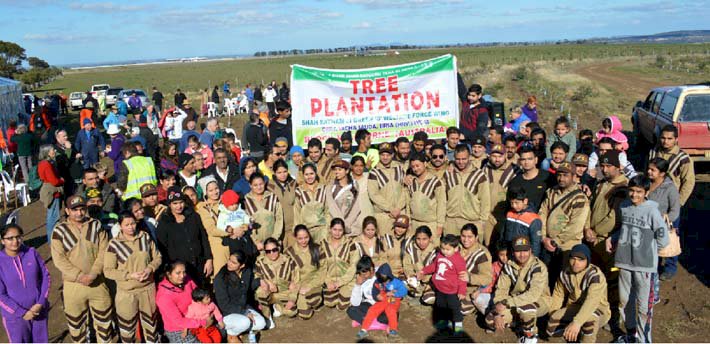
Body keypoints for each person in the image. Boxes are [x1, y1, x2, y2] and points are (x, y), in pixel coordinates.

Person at [606, 175, 669, 343]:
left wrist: (650, 251)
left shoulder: (652, 211)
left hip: (644, 266)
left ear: (646, 192)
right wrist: (613, 238)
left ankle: (644, 339)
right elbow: (624, 229)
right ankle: (631, 334)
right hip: (624, 262)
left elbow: (663, 237)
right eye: (632, 191)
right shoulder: (625, 206)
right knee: (625, 301)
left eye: (639, 192)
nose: (634, 195)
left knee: (643, 307)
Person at [50, 195, 117, 342]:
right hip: (73, 285)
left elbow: (104, 251)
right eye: (75, 210)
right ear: (67, 211)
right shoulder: (59, 231)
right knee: (77, 327)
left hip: (98, 283)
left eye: (82, 209)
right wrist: (79, 275)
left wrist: (93, 274)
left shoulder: (96, 225)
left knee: (104, 325)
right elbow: (59, 259)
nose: (79, 213)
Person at [103, 212, 162, 343]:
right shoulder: (114, 245)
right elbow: (108, 271)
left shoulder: (145, 237)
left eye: (133, 223)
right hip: (127, 294)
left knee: (151, 328)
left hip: (147, 290)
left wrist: (149, 269)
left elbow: (157, 257)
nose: (131, 227)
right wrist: (129, 275)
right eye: (127, 225)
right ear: (120, 226)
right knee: (127, 330)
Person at [485, 235, 550, 343]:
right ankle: (520, 323)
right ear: (513, 252)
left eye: (525, 250)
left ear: (530, 250)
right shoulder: (509, 265)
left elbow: (533, 295)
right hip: (515, 301)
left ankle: (530, 337)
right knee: (490, 320)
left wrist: (506, 303)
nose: (522, 254)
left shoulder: (539, 267)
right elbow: (501, 290)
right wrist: (497, 312)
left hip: (539, 301)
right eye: (518, 251)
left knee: (526, 309)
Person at [546, 244, 610, 343]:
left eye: (581, 260)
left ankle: (586, 338)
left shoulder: (595, 276)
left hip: (597, 308)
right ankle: (577, 332)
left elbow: (592, 301)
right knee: (551, 327)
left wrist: (576, 323)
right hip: (575, 307)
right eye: (573, 258)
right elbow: (558, 294)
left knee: (589, 321)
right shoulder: (565, 273)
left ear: (587, 261)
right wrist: (553, 312)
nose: (575, 263)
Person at [539, 162, 590, 286]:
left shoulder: (579, 197)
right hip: (548, 243)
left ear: (573, 176)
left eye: (565, 175)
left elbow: (576, 225)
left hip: (568, 246)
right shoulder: (551, 192)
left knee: (564, 281)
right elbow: (542, 213)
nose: (561, 178)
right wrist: (544, 237)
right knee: (546, 278)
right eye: (559, 175)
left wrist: (557, 240)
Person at [0, 224, 51, 343]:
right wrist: (22, 313)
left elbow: (45, 277)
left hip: (39, 311)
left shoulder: (32, 253)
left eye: (18, 237)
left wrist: (40, 303)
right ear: (2, 241)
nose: (15, 241)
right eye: (10, 238)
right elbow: (1, 295)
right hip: (16, 318)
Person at [585, 151, 628, 284]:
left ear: (617, 167)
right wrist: (587, 228)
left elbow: (613, 217)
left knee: (612, 274)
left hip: (607, 239)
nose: (604, 169)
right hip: (592, 236)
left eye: (608, 166)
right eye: (602, 166)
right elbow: (589, 207)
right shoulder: (601, 184)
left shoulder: (623, 188)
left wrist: (595, 232)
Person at [157, 187, 214, 285]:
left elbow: (203, 238)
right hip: (180, 272)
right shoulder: (164, 223)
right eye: (175, 203)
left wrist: (209, 259)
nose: (179, 206)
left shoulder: (193, 216)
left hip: (200, 265)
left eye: (181, 202)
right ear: (169, 205)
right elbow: (163, 249)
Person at [418, 234, 468, 334]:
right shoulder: (440, 255)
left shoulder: (459, 260)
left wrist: (462, 291)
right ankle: (443, 321)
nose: (444, 251)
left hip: (452, 291)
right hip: (440, 288)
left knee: (454, 308)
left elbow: (462, 277)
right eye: (442, 248)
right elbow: (434, 266)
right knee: (440, 306)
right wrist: (423, 271)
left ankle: (458, 325)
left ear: (456, 249)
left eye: (447, 249)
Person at [214, 251, 267, 342]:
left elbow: (247, 288)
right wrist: (244, 312)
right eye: (229, 260)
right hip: (227, 312)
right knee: (245, 322)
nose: (229, 263)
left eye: (233, 263)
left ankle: (239, 329)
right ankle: (231, 334)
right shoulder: (220, 278)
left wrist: (259, 281)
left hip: (244, 307)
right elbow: (224, 305)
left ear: (242, 265)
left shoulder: (247, 271)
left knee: (261, 323)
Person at [443, 144, 490, 240]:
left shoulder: (479, 175)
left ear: (469, 157)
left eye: (464, 159)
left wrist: (482, 221)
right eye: (458, 159)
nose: (460, 162)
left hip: (472, 221)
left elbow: (485, 200)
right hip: (451, 222)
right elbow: (443, 198)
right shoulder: (448, 174)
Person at [647, 158, 681, 281]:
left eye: (653, 170)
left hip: (664, 223)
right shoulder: (647, 183)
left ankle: (670, 269)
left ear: (662, 173)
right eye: (649, 169)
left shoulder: (670, 188)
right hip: (648, 223)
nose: (649, 172)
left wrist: (662, 222)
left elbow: (675, 210)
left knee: (669, 247)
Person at [155, 260, 205, 343]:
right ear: (169, 274)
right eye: (178, 273)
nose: (182, 276)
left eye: (184, 272)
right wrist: (203, 322)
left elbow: (199, 296)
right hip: (178, 330)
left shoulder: (187, 280)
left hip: (196, 319)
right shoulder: (164, 296)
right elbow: (179, 321)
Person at [482, 144, 521, 245]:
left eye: (500, 156)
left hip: (505, 215)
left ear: (505, 156)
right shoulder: (485, 169)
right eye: (494, 156)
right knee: (488, 244)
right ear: (489, 156)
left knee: (504, 246)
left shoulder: (514, 170)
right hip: (488, 215)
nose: (497, 159)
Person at [648, 124, 695, 206]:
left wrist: (679, 202)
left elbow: (688, 182)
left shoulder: (683, 158)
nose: (666, 141)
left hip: (670, 200)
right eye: (663, 138)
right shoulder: (653, 152)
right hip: (651, 197)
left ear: (676, 139)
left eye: (670, 139)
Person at [357, 263, 408, 339]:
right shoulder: (378, 281)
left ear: (389, 277)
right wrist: (377, 296)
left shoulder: (397, 282)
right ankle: (364, 329)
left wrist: (395, 294)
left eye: (386, 281)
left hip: (393, 298)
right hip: (383, 298)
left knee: (391, 310)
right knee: (373, 309)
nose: (384, 283)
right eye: (383, 282)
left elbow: (404, 291)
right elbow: (375, 291)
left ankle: (393, 329)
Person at [255, 237, 299, 324]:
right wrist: (267, 282)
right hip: (269, 293)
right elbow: (256, 276)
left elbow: (296, 281)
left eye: (274, 250)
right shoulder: (260, 262)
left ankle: (277, 306)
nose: (272, 253)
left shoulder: (288, 261)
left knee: (292, 311)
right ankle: (267, 318)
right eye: (268, 251)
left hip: (284, 293)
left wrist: (292, 298)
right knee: (260, 292)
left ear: (278, 248)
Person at [368, 142, 408, 235]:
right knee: (385, 244)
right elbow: (373, 194)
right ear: (379, 155)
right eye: (382, 154)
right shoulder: (374, 172)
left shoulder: (400, 168)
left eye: (388, 155)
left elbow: (405, 189)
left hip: (401, 212)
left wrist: (398, 208)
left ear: (392, 155)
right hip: (383, 215)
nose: (385, 157)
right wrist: (390, 209)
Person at [407, 153, 445, 245]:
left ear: (425, 164)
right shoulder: (411, 181)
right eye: (413, 166)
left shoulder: (436, 182)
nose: (415, 169)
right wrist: (409, 221)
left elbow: (441, 204)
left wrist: (440, 225)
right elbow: (408, 203)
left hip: (431, 223)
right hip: (415, 223)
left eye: (417, 165)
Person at [458, 224, 493, 316]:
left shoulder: (482, 254)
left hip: (469, 289)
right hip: (453, 285)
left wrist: (469, 277)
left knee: (460, 308)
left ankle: (472, 306)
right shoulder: (456, 246)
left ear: (476, 237)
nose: (466, 240)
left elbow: (487, 278)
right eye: (463, 236)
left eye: (470, 237)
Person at [243, 172, 283, 247]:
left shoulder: (272, 197)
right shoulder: (246, 201)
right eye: (255, 185)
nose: (259, 187)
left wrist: (274, 239)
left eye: (261, 184)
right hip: (256, 245)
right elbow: (246, 224)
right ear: (250, 185)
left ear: (264, 183)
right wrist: (256, 241)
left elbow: (279, 219)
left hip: (274, 243)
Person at [326, 160, 365, 235]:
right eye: (335, 170)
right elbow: (331, 206)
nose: (336, 172)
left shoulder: (354, 185)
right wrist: (340, 224)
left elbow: (356, 207)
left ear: (347, 171)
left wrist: (347, 224)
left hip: (350, 225)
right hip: (334, 224)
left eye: (340, 170)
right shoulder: (330, 186)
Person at [503, 187, 542, 257]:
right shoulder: (509, 213)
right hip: (510, 252)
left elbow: (536, 243)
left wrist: (533, 259)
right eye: (511, 203)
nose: (514, 206)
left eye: (516, 203)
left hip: (523, 254)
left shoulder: (533, 219)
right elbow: (504, 233)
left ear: (525, 201)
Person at [403, 226, 437, 304]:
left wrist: (425, 278)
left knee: (429, 299)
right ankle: (415, 292)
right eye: (418, 239)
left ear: (430, 238)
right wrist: (411, 276)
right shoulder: (411, 248)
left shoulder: (435, 251)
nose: (421, 242)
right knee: (398, 286)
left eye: (424, 239)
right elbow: (407, 265)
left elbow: (437, 271)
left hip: (429, 282)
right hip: (414, 279)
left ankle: (422, 292)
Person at [37, 144, 64, 242]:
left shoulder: (43, 163)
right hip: (53, 193)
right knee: (53, 217)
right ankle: (52, 240)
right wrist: (61, 180)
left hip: (49, 191)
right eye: (53, 150)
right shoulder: (47, 164)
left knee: (52, 215)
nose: (54, 151)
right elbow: (54, 181)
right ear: (47, 152)